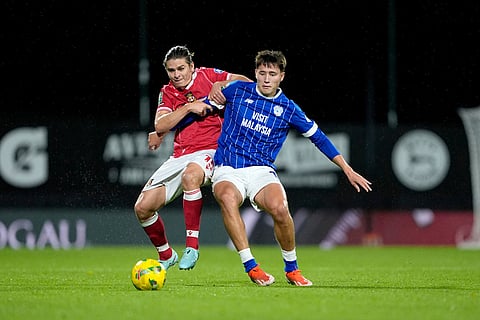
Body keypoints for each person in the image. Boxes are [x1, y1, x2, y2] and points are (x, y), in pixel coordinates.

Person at [198, 49, 372, 286]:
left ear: (282, 76)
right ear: (255, 74)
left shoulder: (288, 108)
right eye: (262, 73)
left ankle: (292, 269)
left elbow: (318, 137)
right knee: (227, 198)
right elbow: (198, 107)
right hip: (228, 167)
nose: (266, 78)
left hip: (261, 170)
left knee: (280, 208)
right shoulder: (236, 91)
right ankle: (251, 266)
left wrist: (347, 169)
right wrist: (163, 129)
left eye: (272, 73)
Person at [134, 45, 251, 271]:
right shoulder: (167, 92)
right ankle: (166, 255)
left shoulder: (208, 76)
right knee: (143, 208)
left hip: (212, 150)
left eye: (181, 68)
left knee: (191, 176)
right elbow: (160, 124)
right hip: (180, 154)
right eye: (171, 70)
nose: (176, 74)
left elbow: (246, 81)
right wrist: (189, 107)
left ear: (191, 67)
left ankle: (192, 246)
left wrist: (221, 85)